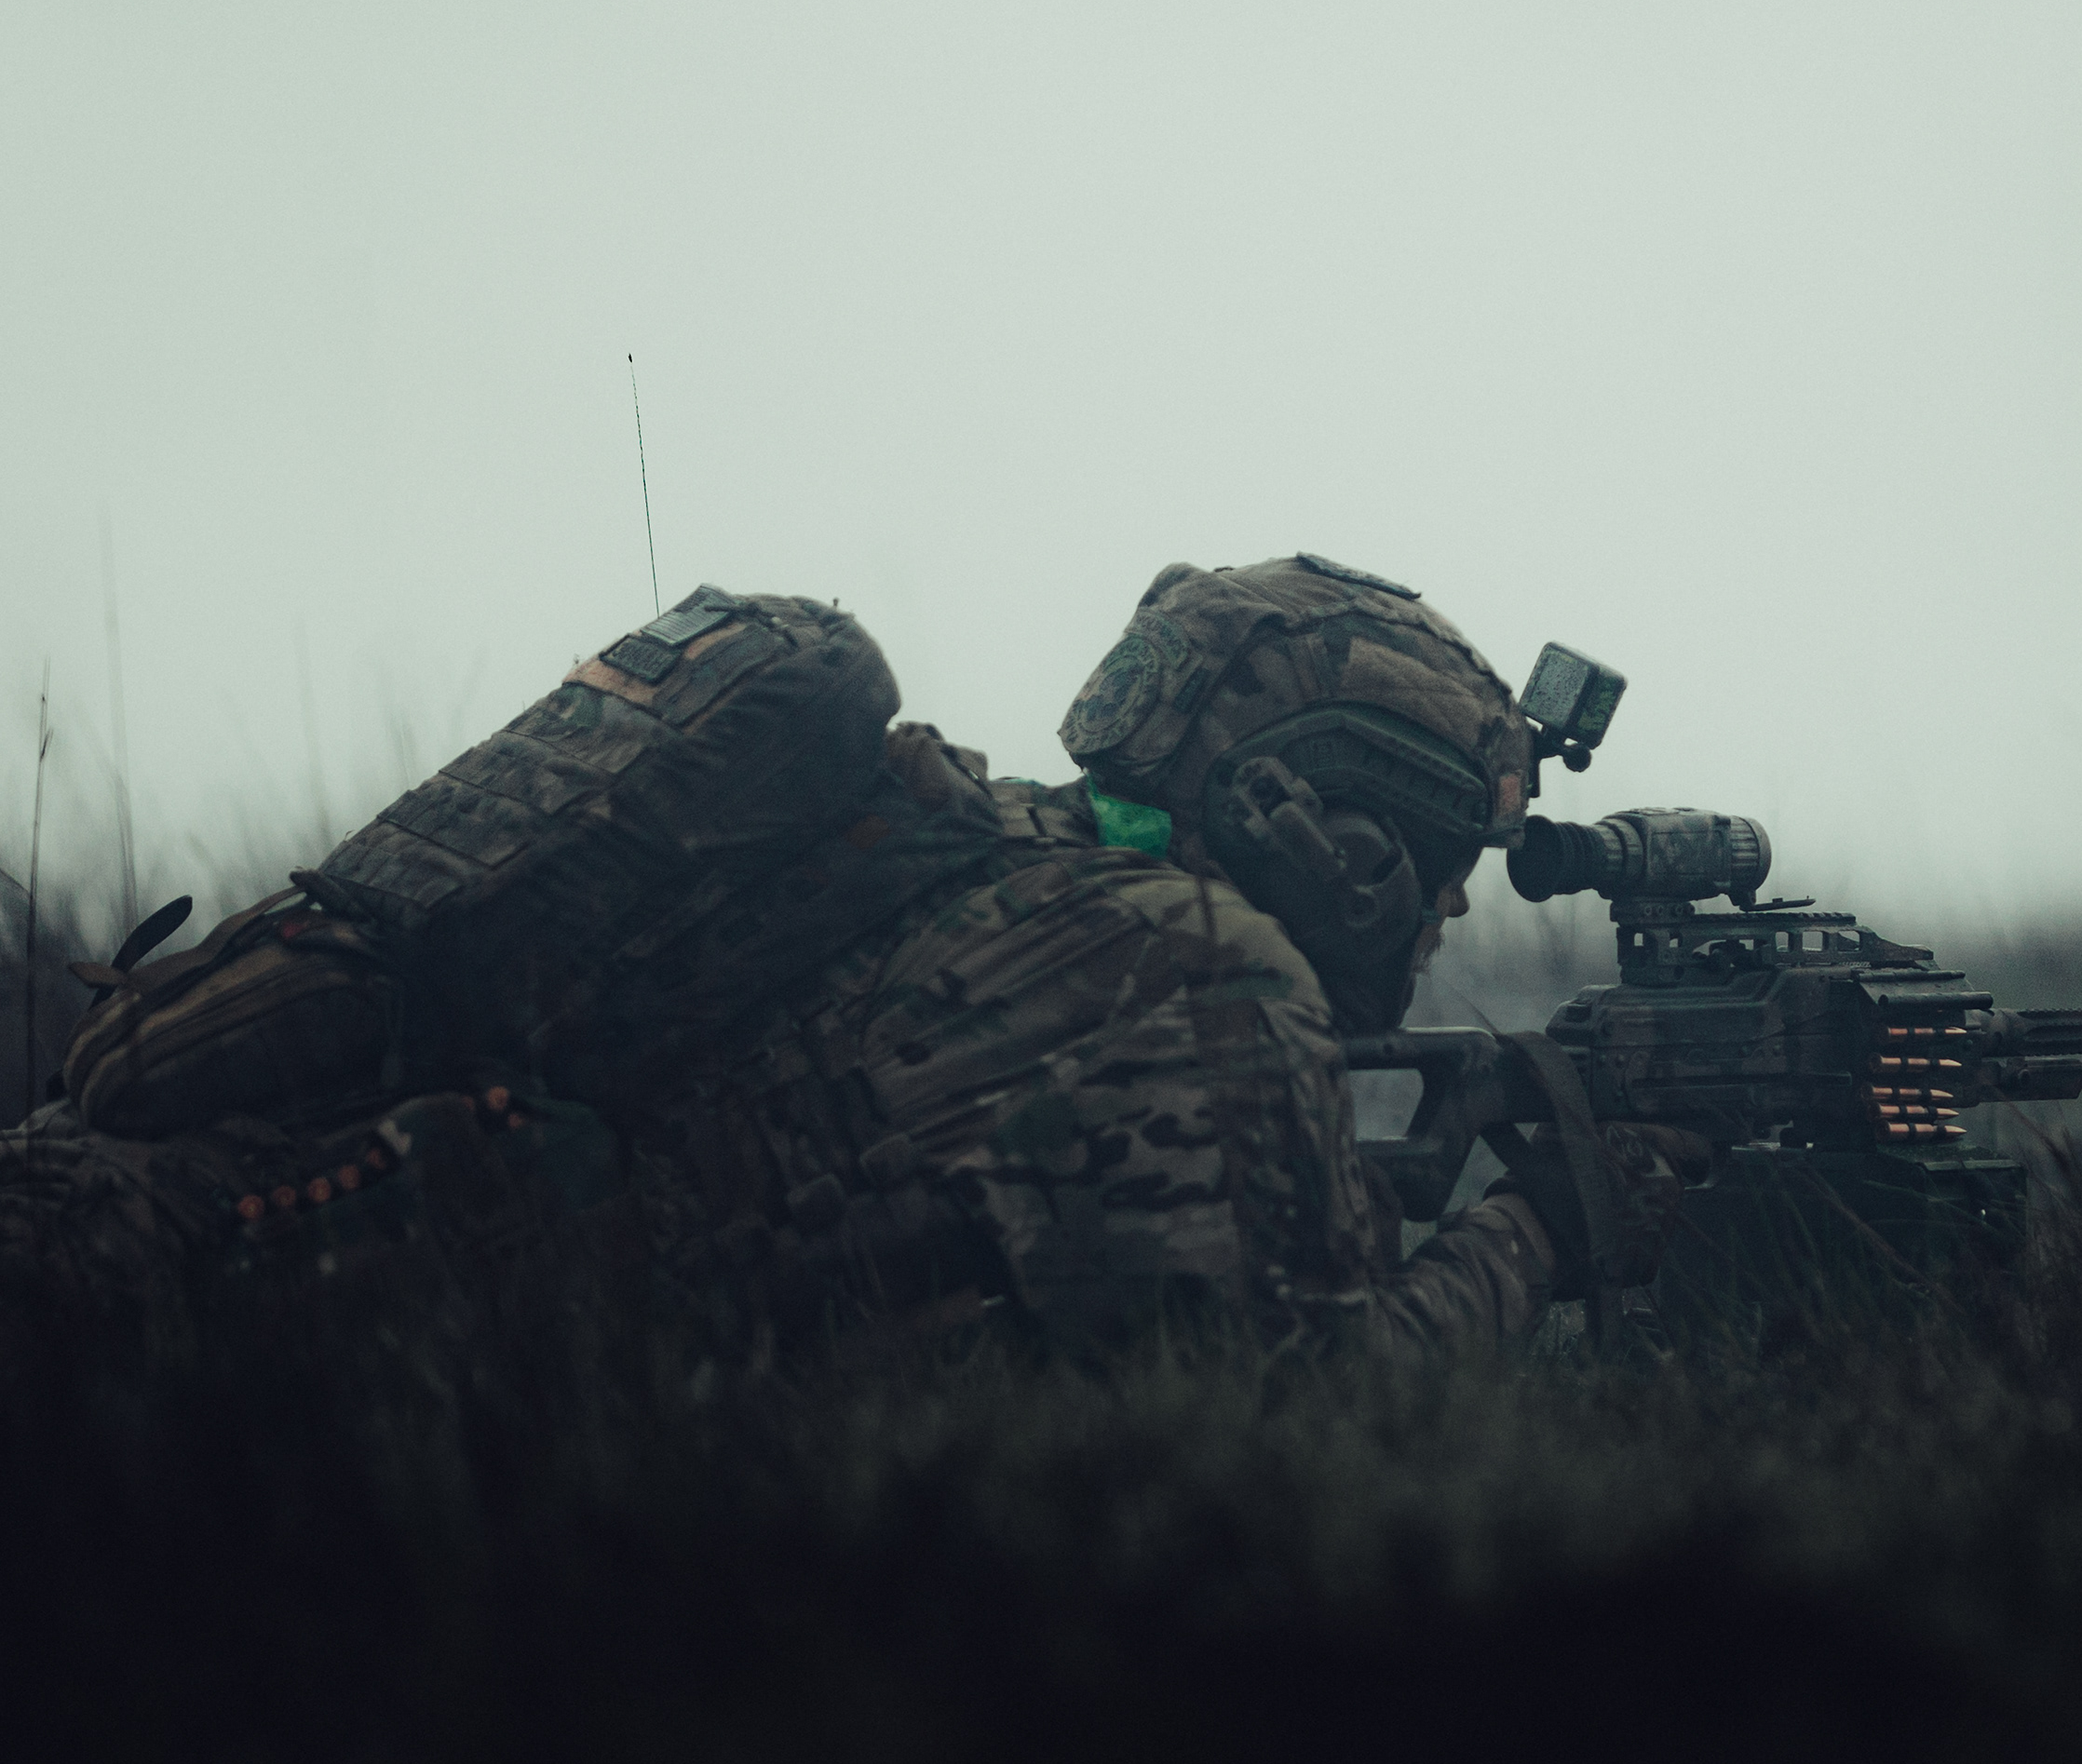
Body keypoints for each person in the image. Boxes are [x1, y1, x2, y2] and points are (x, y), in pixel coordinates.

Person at [0, 555, 1695, 1354]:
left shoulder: (958, 835)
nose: (1448, 917)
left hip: (122, 1214)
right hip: (222, 1328)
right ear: (1337, 833)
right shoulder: (1192, 972)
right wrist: (1548, 1232)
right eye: (1443, 870)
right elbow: (1293, 1436)